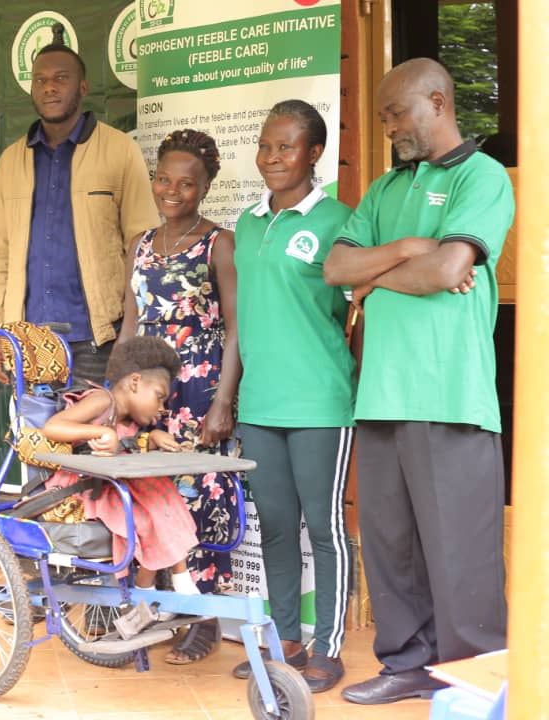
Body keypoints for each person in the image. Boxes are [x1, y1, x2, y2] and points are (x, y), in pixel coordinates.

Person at [323, 58, 511, 705]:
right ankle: (407, 664)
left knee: (461, 552)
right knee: (391, 545)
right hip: (380, 395)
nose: (388, 127)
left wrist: (377, 276)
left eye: (396, 113)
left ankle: (475, 685)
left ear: (437, 100)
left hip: (450, 395)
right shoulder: (383, 190)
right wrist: (405, 251)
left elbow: (450, 267)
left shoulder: (481, 177)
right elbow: (335, 269)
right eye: (381, 117)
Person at [232, 101, 355, 692]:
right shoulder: (249, 222)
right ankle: (284, 638)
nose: (272, 158)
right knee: (277, 526)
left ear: (314, 154)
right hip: (261, 404)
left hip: (320, 403)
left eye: (285, 147)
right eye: (264, 146)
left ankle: (327, 646)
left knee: (325, 528)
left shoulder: (340, 221)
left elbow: (357, 308)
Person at [119, 128, 240, 664]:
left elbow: (237, 326)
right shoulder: (140, 244)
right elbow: (129, 321)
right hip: (149, 394)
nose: (172, 190)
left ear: (205, 186)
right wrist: (117, 392)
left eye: (186, 183)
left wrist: (223, 401)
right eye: (164, 179)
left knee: (202, 496)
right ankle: (151, 608)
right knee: (152, 498)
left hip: (199, 389)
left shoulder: (220, 242)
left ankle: (204, 617)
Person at [0, 27, 156, 385]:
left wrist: (129, 328)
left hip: (98, 340)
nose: (50, 87)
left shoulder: (119, 149)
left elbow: (143, 246)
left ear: (82, 87)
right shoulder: (10, 161)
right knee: (36, 440)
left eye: (61, 78)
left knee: (95, 441)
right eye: (41, 80)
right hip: (26, 339)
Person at [42, 336, 199, 593]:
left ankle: (162, 583)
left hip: (112, 484)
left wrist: (152, 438)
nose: (161, 408)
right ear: (135, 382)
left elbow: (127, 443)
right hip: (86, 487)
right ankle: (162, 587)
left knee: (166, 498)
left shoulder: (130, 420)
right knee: (149, 514)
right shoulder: (102, 401)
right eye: (159, 397)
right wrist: (100, 434)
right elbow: (53, 427)